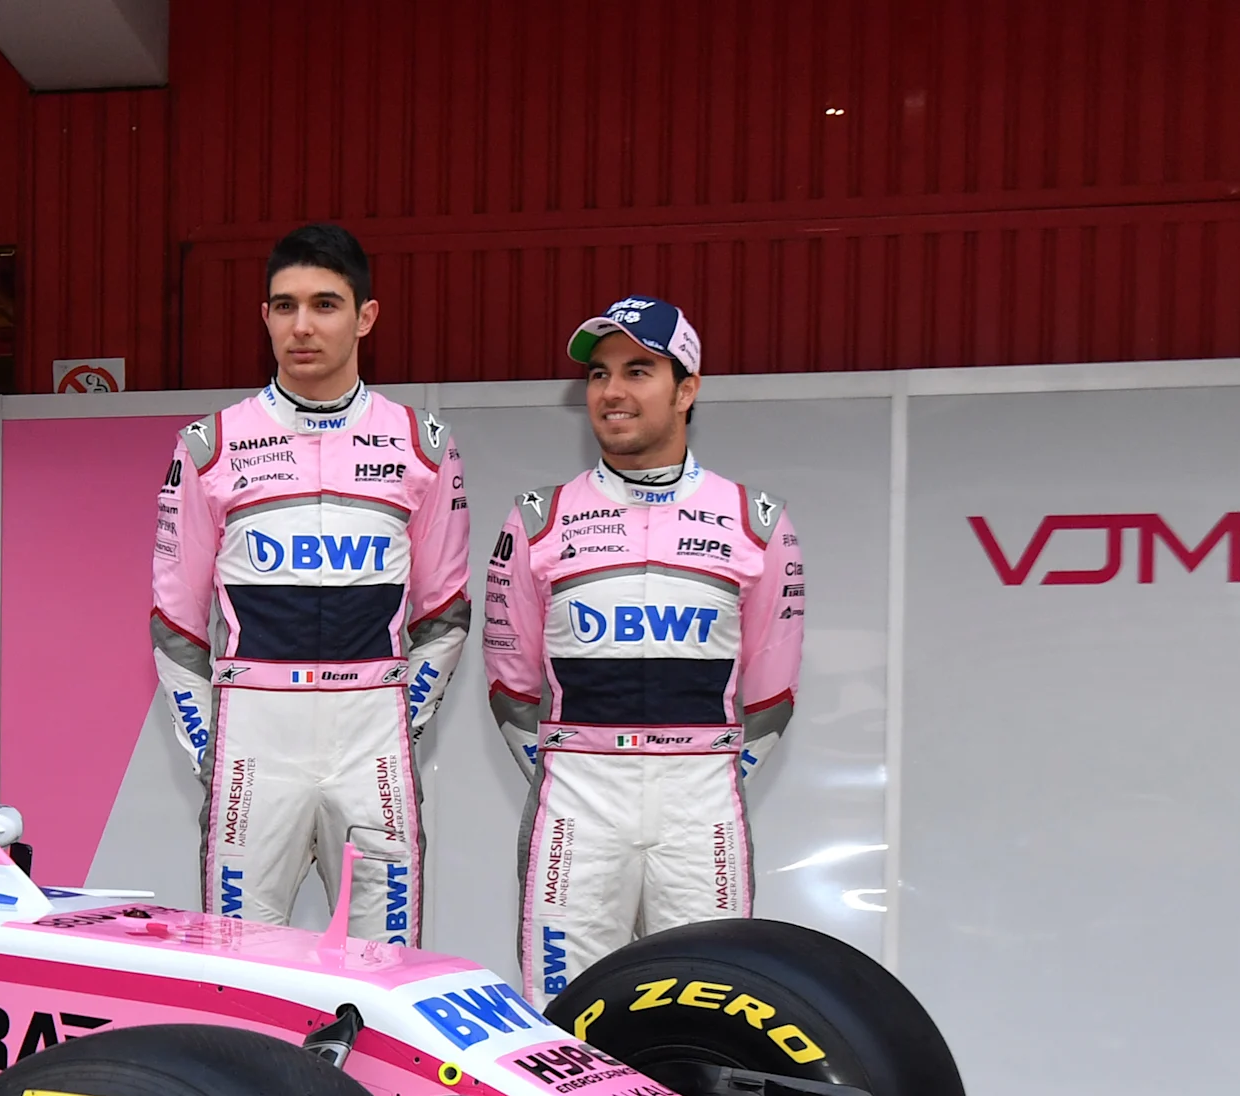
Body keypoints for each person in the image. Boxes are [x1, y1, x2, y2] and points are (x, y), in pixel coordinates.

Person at [149, 222, 471, 944]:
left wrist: (398, 719)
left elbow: (445, 613)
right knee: (243, 965)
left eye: (325, 304)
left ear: (365, 317)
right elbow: (175, 622)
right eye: (284, 305)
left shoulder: (424, 445)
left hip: (372, 736)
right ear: (263, 316)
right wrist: (215, 742)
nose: (302, 325)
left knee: (383, 965)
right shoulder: (210, 445)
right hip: (254, 735)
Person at [484, 298, 804, 1005]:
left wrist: (711, 774)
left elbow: (774, 693)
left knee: (712, 1003)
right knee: (563, 1012)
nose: (612, 393)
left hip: (702, 800)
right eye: (599, 376)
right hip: (578, 794)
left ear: (687, 388)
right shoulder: (537, 520)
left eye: (639, 370)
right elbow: (510, 683)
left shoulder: (756, 521)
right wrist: (568, 771)